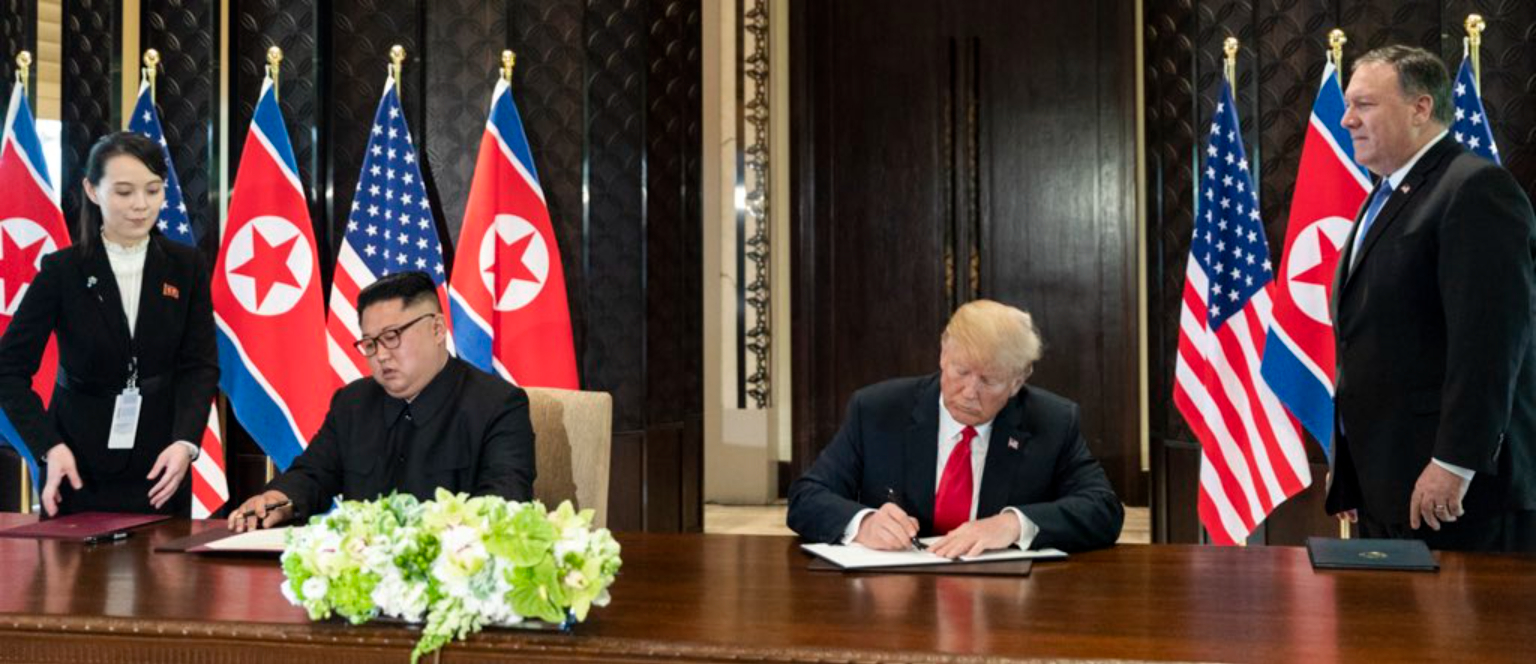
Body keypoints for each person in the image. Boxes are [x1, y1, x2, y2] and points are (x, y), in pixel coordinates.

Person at [1329, 45, 1536, 552]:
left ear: (1420, 108)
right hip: (1386, 478)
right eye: (1349, 105)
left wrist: (1454, 463)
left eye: (1364, 104)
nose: (1347, 119)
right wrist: (1352, 459)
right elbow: (1370, 340)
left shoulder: (1474, 189)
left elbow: (1489, 345)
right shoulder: (1386, 195)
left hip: (1456, 493)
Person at [787, 300, 1123, 556]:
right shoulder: (878, 410)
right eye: (961, 371)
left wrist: (1012, 524)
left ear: (1017, 381)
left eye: (989, 380)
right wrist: (863, 524)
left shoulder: (1052, 421)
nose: (969, 392)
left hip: (1003, 602)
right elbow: (806, 498)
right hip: (896, 596)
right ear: (943, 355)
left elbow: (1104, 510)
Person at [0, 132, 219, 516]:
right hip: (75, 464)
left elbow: (200, 365)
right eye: (124, 192)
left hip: (162, 465)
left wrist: (185, 443)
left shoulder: (187, 266)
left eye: (153, 190)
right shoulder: (62, 270)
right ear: (92, 190)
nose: (141, 205)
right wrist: (48, 447)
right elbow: (8, 370)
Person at [229, 271, 535, 531]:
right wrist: (279, 500)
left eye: (391, 337)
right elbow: (313, 474)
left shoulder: (498, 405)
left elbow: (504, 503)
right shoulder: (352, 403)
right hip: (361, 571)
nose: (381, 355)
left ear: (437, 329)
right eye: (370, 343)